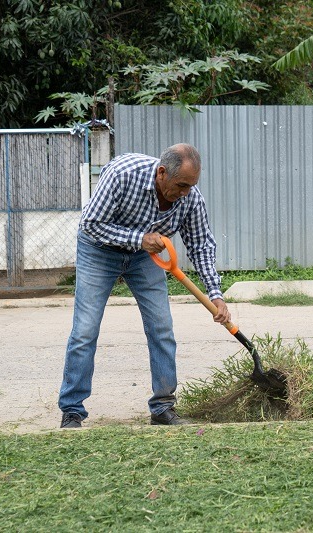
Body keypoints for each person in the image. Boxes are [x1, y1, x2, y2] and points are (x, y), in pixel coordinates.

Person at [58, 143, 230, 428]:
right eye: (182, 185)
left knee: (161, 327)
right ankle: (72, 410)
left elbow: (201, 245)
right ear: (162, 173)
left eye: (192, 186)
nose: (186, 193)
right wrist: (139, 238)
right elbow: (90, 224)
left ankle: (163, 407)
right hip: (99, 250)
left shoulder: (190, 197)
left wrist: (215, 294)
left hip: (145, 258)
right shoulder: (123, 174)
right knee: (85, 330)